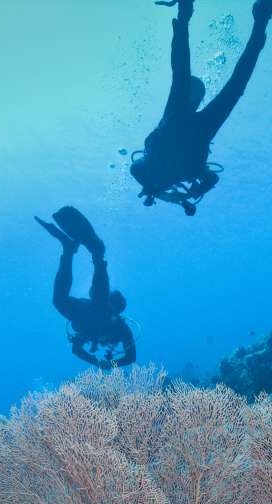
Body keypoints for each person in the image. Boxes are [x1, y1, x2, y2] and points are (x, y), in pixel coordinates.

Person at [131, 0, 272, 216]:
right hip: (191, 140)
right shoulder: (167, 171)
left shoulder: (153, 170)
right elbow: (210, 177)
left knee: (233, 87)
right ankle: (258, 21)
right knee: (229, 86)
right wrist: (161, 190)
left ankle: (259, 22)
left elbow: (137, 169)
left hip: (182, 136)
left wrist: (155, 190)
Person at [35, 207, 136, 369]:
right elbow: (131, 357)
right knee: (99, 303)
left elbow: (76, 349)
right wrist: (106, 363)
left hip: (82, 315)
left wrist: (100, 363)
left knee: (59, 301)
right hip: (90, 310)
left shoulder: (121, 330)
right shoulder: (120, 327)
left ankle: (68, 250)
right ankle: (97, 254)